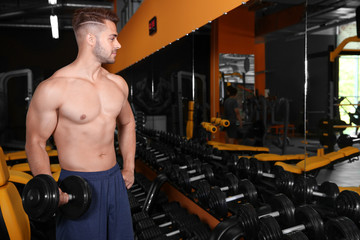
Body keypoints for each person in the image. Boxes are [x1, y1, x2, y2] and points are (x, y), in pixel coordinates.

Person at [25, 8, 135, 240]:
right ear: (91, 39)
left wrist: (129, 167)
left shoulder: (118, 84)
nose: (118, 45)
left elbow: (127, 123)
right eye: (113, 38)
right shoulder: (54, 88)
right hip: (77, 187)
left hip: (115, 181)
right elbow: (35, 142)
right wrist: (49, 186)